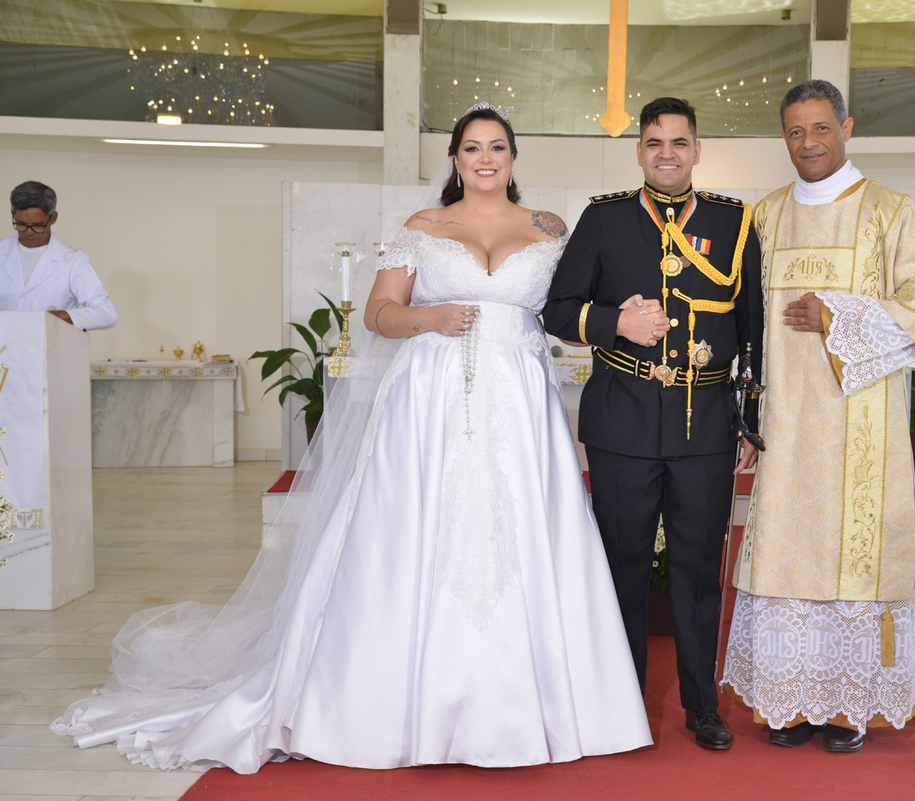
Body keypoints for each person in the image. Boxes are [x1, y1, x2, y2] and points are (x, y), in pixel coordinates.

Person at [51, 103, 652, 772]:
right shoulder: (424, 227)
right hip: (429, 397)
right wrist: (428, 315)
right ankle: (386, 698)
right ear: (453, 159)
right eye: (472, 148)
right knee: (415, 535)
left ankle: (535, 700)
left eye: (497, 147)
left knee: (521, 530)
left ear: (513, 157)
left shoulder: (549, 228)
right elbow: (378, 313)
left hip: (519, 401)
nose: (485, 158)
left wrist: (619, 316)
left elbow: (565, 316)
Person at [720, 80, 915, 753]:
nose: (808, 143)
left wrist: (841, 314)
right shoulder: (765, 215)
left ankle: (850, 707)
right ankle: (788, 701)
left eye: (821, 128)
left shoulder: (889, 210)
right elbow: (740, 313)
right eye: (795, 131)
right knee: (789, 560)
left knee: (850, 561)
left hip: (862, 426)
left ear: (846, 127)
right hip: (788, 427)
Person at [543, 97, 763, 751]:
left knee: (698, 572)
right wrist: (615, 322)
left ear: (697, 150)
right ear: (639, 151)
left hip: (705, 427)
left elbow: (749, 326)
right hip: (623, 423)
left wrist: (748, 421)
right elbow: (557, 310)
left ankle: (702, 707)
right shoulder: (605, 218)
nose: (667, 153)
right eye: (654, 142)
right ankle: (620, 703)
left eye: (679, 142)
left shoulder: (733, 222)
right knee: (621, 567)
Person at [0, 181, 117, 330]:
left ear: (53, 218)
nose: (29, 232)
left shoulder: (73, 261)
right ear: (12, 214)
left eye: (38, 225)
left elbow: (107, 313)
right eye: (21, 224)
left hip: (52, 350)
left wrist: (55, 318)